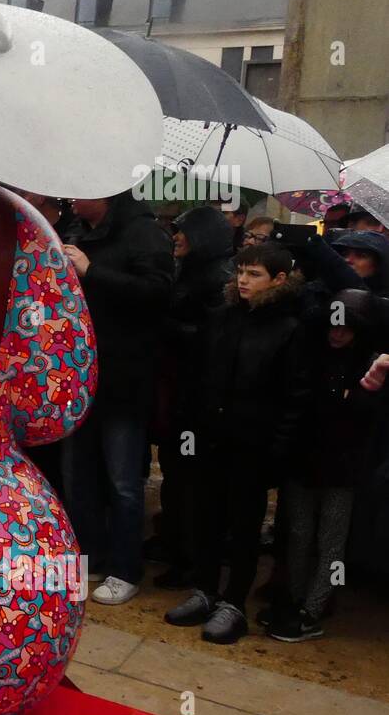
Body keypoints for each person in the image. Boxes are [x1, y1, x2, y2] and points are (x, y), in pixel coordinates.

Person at [165, 243, 313, 644]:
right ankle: (205, 590)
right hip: (212, 441)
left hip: (254, 446)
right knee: (206, 519)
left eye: (254, 274)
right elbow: (200, 378)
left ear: (279, 280)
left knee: (244, 528)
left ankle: (233, 603)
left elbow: (294, 398)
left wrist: (277, 451)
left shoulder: (290, 329)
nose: (243, 280)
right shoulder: (223, 318)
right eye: (241, 272)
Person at [60, 190, 174, 604]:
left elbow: (158, 294)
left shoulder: (144, 233)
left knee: (124, 482)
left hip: (125, 380)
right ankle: (90, 555)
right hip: (79, 377)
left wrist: (92, 271)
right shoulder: (75, 231)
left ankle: (125, 568)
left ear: (103, 194)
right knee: (79, 477)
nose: (71, 199)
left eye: (79, 191)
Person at [267, 289, 387, 641]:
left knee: (331, 542)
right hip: (306, 461)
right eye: (334, 326)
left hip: (343, 469)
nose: (337, 333)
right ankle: (295, 599)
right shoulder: (312, 355)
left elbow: (363, 415)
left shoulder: (370, 365)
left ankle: (315, 607)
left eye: (346, 328)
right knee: (300, 536)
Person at [151, 204, 235, 588]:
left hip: (196, 401)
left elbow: (212, 343)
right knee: (174, 473)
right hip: (178, 393)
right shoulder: (187, 270)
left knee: (190, 481)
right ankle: (172, 544)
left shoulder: (219, 279)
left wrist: (163, 324)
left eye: (183, 230)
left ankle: (189, 561)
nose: (175, 236)